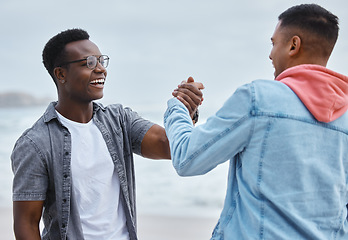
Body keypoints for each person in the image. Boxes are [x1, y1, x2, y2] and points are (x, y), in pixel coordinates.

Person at [164, 4, 348, 239]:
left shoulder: (258, 99)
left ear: (293, 45)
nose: (271, 54)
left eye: (274, 43)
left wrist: (179, 107)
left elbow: (187, 158)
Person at [11, 29, 203, 240]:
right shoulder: (35, 144)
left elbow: (168, 145)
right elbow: (26, 224)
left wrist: (186, 111)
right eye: (89, 63)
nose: (101, 69)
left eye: (101, 61)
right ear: (61, 74)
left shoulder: (119, 120)